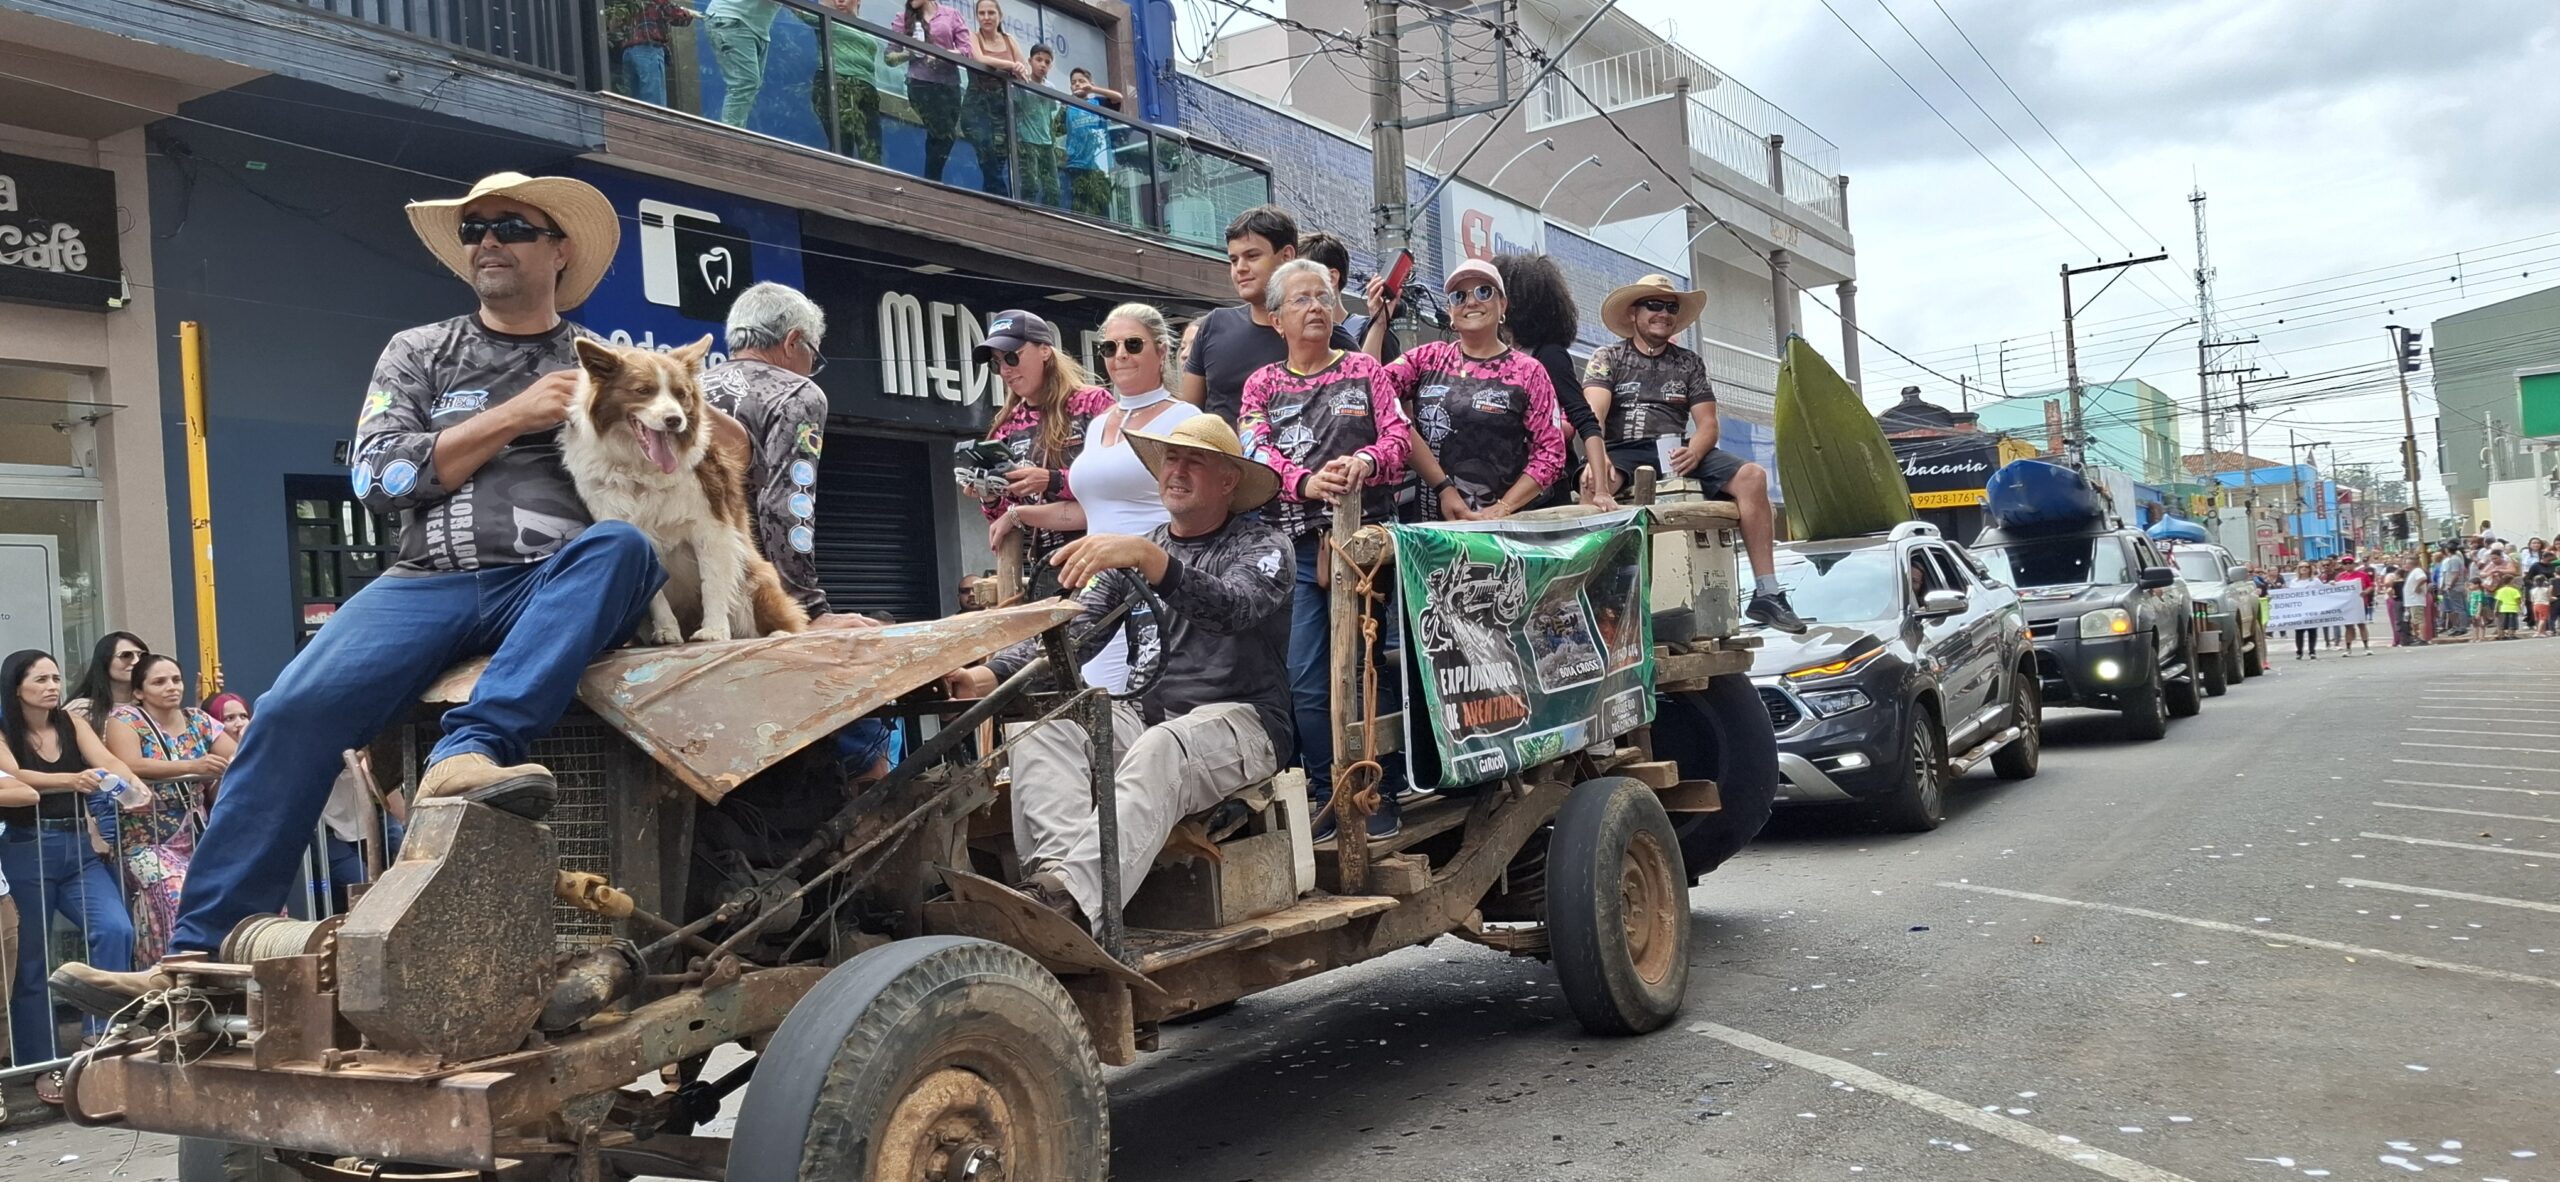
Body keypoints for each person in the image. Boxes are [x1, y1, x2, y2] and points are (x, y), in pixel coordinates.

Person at [48, 172, 670, 1015]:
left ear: (559, 251)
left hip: (555, 579)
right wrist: (513, 415)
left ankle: (468, 752)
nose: (487, 240)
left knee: (626, 548)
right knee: (287, 711)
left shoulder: (609, 362)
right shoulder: (420, 351)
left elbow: (681, 469)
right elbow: (377, 479)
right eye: (474, 229)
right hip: (427, 580)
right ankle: (192, 968)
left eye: (512, 227)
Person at [941, 415, 1292, 928]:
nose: (1177, 470)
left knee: (1164, 745)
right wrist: (985, 677)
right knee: (1046, 723)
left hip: (1245, 723)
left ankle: (1076, 902)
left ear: (1228, 481)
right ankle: (1054, 890)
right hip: (1149, 719)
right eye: (1171, 458)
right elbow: (1073, 639)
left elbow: (1232, 608)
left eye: (1195, 461)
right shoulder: (1136, 553)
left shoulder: (1263, 546)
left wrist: (1154, 561)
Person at [1236, 259, 1412, 839]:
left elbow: (1398, 437)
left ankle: (1377, 790)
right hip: (1296, 548)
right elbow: (1253, 450)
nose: (1315, 307)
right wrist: (1305, 481)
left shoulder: (1364, 369)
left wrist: (1365, 460)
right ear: (1277, 319)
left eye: (1323, 296)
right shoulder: (1263, 384)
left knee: (1366, 667)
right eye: (1301, 299)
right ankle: (1325, 792)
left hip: (1366, 545)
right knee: (1307, 677)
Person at [1583, 274, 1803, 633]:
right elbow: (1594, 413)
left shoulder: (1689, 363)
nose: (1664, 313)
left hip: (1674, 449)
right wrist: (1599, 457)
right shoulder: (1607, 357)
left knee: (1753, 477)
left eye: (1671, 307)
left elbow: (1708, 424)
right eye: (1654, 305)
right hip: (1621, 448)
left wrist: (1696, 450)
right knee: (1593, 483)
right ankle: (1595, 601)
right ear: (1633, 312)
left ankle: (1767, 592)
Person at [1013, 303, 1200, 693]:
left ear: (1161, 351)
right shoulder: (1099, 424)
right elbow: (1086, 511)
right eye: (1109, 348)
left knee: (1152, 693)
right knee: (1100, 692)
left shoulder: (1185, 420)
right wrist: (1017, 514)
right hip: (1099, 583)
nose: (1120, 356)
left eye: (1133, 345)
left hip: (1155, 579)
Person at [1, 650, 142, 1079]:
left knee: (116, 928)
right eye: (40, 679)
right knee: (30, 959)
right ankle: (41, 1062)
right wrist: (70, 780)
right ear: (16, 687)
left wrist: (129, 779)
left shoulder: (70, 722)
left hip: (78, 845)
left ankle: (99, 1036)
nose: (52, 687)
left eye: (56, 678)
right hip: (27, 845)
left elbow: (107, 760)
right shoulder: (4, 730)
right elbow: (13, 776)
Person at [1379, 258, 1565, 522]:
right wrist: (1378, 323)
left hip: (1501, 529)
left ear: (1503, 305)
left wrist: (1504, 507)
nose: (1471, 302)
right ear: (1450, 312)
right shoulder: (1428, 358)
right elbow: (1372, 392)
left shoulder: (1529, 371)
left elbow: (1551, 453)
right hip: (1433, 529)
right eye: (1459, 296)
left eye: (1484, 291)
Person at [701, 282, 837, 623]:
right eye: (813, 356)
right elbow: (787, 504)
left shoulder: (691, 389)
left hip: (680, 588)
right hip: (748, 594)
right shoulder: (797, 393)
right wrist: (808, 609)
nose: (811, 369)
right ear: (793, 341)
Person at [971, 310, 1113, 600]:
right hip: (1046, 565)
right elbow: (1002, 519)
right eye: (996, 364)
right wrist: (989, 495)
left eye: (1012, 357)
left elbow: (1114, 482)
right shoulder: (1007, 424)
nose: (1005, 370)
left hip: (1100, 549)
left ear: (1045, 350)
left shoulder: (1092, 402)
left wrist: (1051, 480)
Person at [101, 654, 233, 963]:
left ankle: (224, 965)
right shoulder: (124, 719)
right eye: (159, 682)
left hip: (197, 834)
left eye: (176, 680)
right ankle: (171, 969)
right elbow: (130, 763)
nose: (171, 687)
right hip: (145, 841)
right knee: (174, 891)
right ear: (138, 691)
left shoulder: (198, 719)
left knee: (233, 884)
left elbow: (236, 753)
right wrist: (193, 766)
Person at [1181, 205, 1358, 426]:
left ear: (1287, 256)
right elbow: (1188, 422)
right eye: (1234, 260)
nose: (1240, 268)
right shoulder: (1214, 325)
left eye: (1252, 256)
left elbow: (1363, 410)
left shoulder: (1326, 334)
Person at [1493, 252, 1613, 509]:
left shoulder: (1549, 355)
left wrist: (1602, 489)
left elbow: (1583, 416)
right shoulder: (1498, 354)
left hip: (1545, 487)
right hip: (1504, 482)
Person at [894, 0, 972, 182]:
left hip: (950, 86)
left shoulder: (951, 15)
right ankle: (932, 179)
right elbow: (889, 57)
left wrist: (941, 55)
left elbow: (966, 50)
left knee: (941, 135)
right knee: (943, 133)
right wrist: (909, 53)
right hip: (920, 83)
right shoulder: (903, 17)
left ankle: (931, 180)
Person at [1296, 231, 1401, 363]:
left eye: (1299, 275)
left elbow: (1378, 376)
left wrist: (1378, 326)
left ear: (1331, 278)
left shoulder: (1374, 332)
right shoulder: (1294, 339)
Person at [803, 0, 884, 162]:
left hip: (867, 88)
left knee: (872, 148)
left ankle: (868, 178)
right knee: (842, 141)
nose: (839, 1)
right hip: (838, 81)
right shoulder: (828, 17)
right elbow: (799, 10)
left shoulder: (867, 27)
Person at [962, 0, 1028, 196]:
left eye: (991, 13)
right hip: (977, 105)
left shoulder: (1009, 40)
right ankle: (1002, 196)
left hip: (1003, 107)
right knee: (985, 151)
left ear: (1000, 16)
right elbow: (980, 59)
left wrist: (1019, 67)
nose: (986, 17)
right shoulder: (973, 36)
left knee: (998, 159)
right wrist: (1011, 66)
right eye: (981, 13)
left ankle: (993, 199)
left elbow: (1025, 69)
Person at [704, 0, 782, 127]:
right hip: (733, 19)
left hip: (755, 27)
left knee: (749, 86)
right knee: (745, 83)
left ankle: (735, 133)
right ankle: (729, 136)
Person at [604, 0, 694, 109]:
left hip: (628, 53)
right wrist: (688, 13)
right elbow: (677, 15)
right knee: (654, 106)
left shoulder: (626, 3)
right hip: (648, 51)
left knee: (634, 106)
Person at [1062, 67, 1126, 222]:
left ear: (1090, 83)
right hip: (1075, 165)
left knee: (1100, 210)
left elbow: (1118, 98)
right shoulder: (1067, 106)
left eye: (1081, 81)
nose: (1077, 84)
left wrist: (1093, 89)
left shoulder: (1097, 102)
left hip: (1098, 165)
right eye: (1074, 82)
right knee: (1078, 209)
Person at [1015, 45, 1065, 209]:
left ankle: (1048, 216)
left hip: (1046, 142)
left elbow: (1049, 114)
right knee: (1030, 184)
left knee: (1053, 188)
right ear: (1030, 61)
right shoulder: (1022, 82)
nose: (1042, 65)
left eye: (1047, 62)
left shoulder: (1050, 88)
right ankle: (1025, 215)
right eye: (1039, 60)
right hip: (1027, 140)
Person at [65, 631, 147, 729]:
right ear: (105, 661)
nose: (136, 661)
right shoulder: (82, 709)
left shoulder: (152, 705)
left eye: (143, 656)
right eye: (126, 655)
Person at [2494, 574, 2524, 640]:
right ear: (2510, 581)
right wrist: (2520, 609)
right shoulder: (2515, 590)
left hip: (2503, 609)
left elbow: (2498, 601)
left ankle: (2501, 635)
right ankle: (2511, 635)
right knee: (2512, 623)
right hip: (2512, 608)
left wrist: (2495, 609)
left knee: (2502, 623)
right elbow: (2518, 601)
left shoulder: (2500, 590)